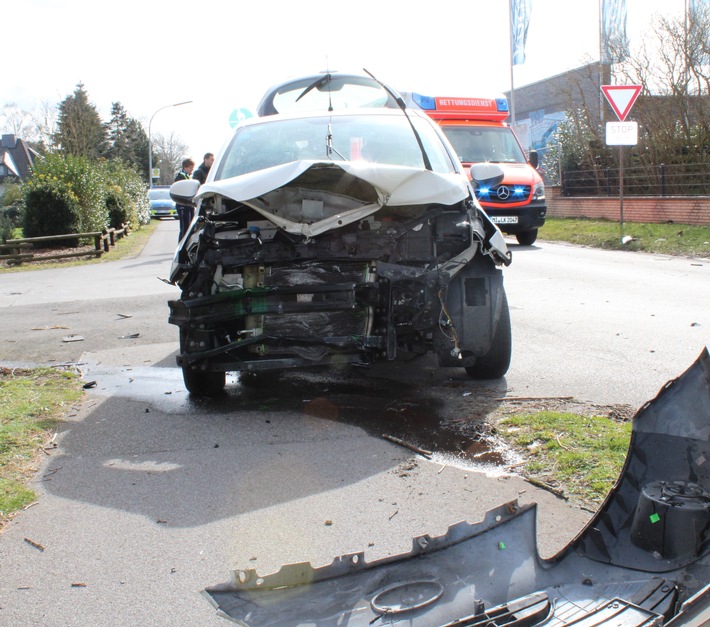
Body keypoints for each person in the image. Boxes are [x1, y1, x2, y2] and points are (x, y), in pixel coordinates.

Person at [175, 158, 195, 242]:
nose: (192, 170)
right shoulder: (181, 177)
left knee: (189, 227)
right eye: (191, 168)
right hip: (182, 206)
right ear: (185, 167)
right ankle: (181, 246)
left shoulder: (187, 176)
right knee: (184, 227)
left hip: (189, 205)